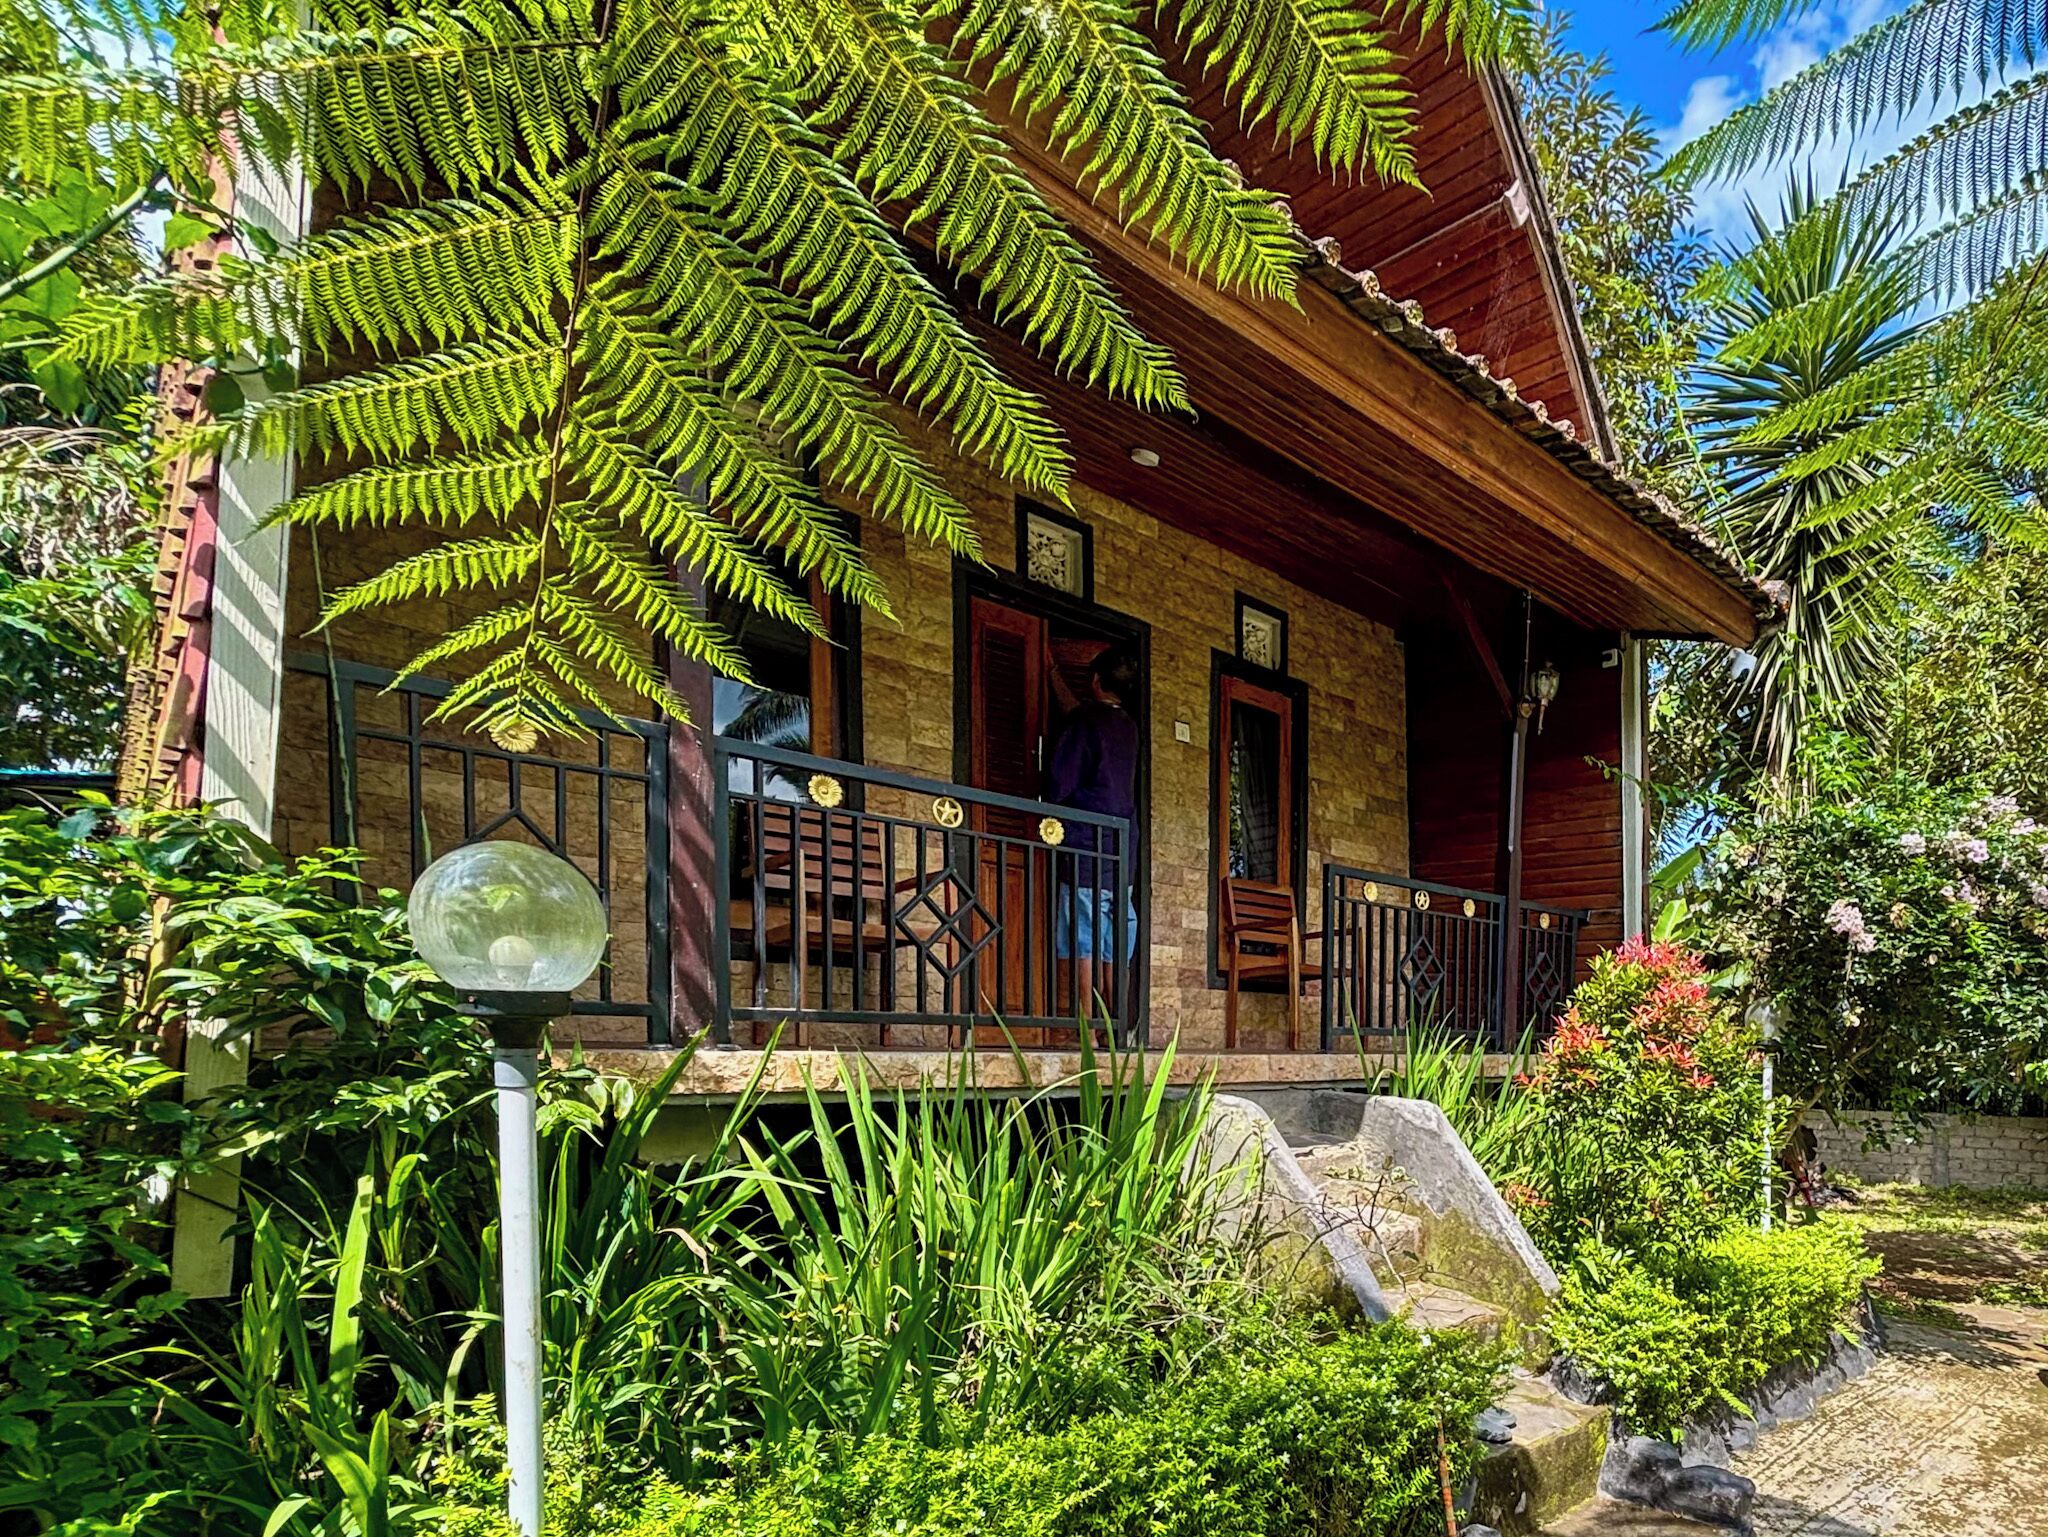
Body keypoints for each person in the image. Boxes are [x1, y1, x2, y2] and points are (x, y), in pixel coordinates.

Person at [1044, 641, 1140, 1028]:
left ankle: (1087, 1027)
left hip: (1087, 843)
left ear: (1096, 681)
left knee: (1083, 937)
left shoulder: (1086, 723)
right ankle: (1116, 1025)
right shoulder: (1127, 726)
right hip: (1123, 850)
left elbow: (1058, 781)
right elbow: (1081, 712)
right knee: (1113, 939)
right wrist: (1053, 674)